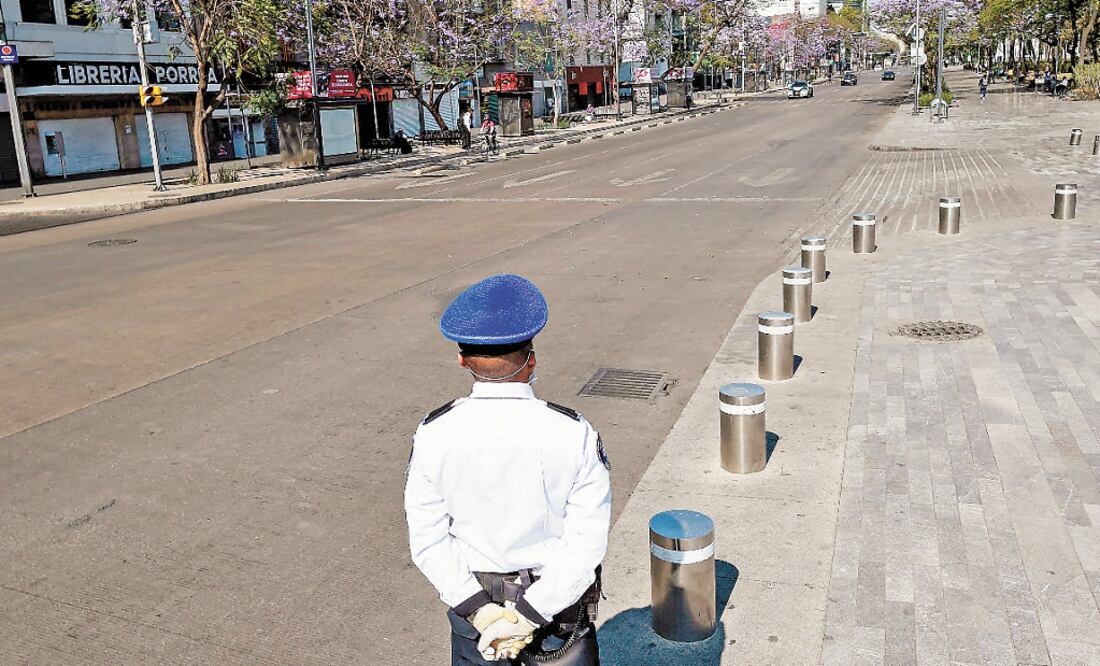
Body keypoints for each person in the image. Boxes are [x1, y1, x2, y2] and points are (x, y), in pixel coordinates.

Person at [406, 274, 612, 666]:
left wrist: (482, 611)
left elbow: (428, 540)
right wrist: (527, 616)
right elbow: (585, 543)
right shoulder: (573, 433)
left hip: (475, 615)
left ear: (462, 360)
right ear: (531, 359)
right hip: (555, 616)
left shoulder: (434, 433)